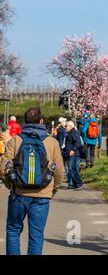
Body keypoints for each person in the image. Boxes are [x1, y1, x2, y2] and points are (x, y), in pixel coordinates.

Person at [0, 107, 64, 255]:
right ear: (41, 121)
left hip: (19, 194)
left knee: (13, 230)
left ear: (24, 122)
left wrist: (11, 184)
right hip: (42, 195)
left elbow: (3, 166)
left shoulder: (16, 140)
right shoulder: (51, 142)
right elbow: (60, 171)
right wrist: (53, 189)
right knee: (36, 234)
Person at [64, 121, 83, 190]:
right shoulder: (70, 133)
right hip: (71, 154)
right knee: (72, 169)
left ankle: (79, 183)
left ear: (70, 126)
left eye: (66, 126)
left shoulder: (74, 132)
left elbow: (78, 142)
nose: (65, 127)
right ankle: (76, 184)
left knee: (72, 169)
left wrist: (73, 150)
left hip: (74, 154)